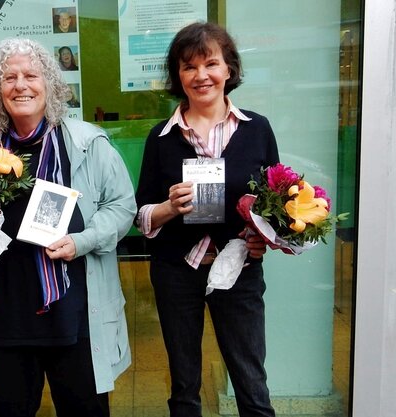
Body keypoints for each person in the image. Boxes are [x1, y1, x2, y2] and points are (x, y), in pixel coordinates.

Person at [0, 38, 136, 417]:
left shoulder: (87, 143)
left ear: (51, 85)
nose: (21, 85)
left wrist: (81, 241)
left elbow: (123, 206)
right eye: (9, 77)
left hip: (74, 315)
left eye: (31, 75)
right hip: (8, 317)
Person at [134, 22, 279, 417]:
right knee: (184, 384)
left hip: (238, 268)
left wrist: (262, 237)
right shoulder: (160, 138)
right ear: (178, 76)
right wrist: (168, 207)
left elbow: (275, 204)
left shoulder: (258, 129)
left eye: (210, 63)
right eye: (188, 67)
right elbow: (141, 213)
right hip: (176, 271)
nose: (201, 76)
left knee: (251, 382)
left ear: (228, 69)